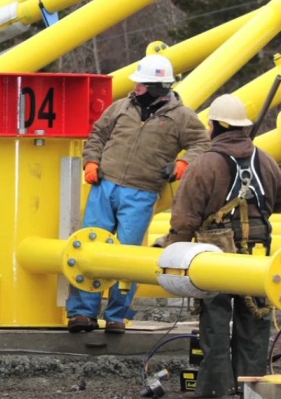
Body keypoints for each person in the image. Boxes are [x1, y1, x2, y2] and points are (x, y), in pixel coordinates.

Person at [67, 54, 210, 334]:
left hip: (141, 193)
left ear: (157, 87)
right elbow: (98, 134)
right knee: (89, 248)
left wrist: (183, 163)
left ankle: (116, 316)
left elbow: (201, 143)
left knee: (128, 256)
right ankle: (82, 313)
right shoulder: (121, 107)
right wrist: (91, 161)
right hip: (104, 186)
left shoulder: (181, 117)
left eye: (142, 84)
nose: (136, 88)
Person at [164, 94, 281, 399]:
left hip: (216, 254)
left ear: (216, 126)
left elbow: (185, 216)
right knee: (255, 319)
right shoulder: (265, 160)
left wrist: (173, 251)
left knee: (216, 321)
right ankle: (251, 389)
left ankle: (215, 389)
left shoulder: (205, 164)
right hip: (257, 252)